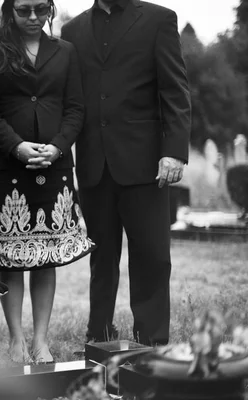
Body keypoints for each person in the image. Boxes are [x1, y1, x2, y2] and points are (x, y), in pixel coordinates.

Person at [61, 0, 191, 346]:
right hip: (93, 162)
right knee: (101, 259)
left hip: (147, 163)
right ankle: (99, 335)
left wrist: (174, 151)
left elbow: (175, 90)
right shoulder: (71, 30)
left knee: (152, 256)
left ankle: (151, 341)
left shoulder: (159, 19)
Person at [0, 0, 95, 363]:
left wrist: (57, 148)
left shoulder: (66, 52)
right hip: (7, 166)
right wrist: (16, 146)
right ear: (10, 9)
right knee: (10, 256)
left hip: (54, 166)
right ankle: (15, 340)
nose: (32, 18)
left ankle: (40, 341)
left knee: (45, 257)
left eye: (40, 10)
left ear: (49, 10)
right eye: (24, 10)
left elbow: (76, 108)